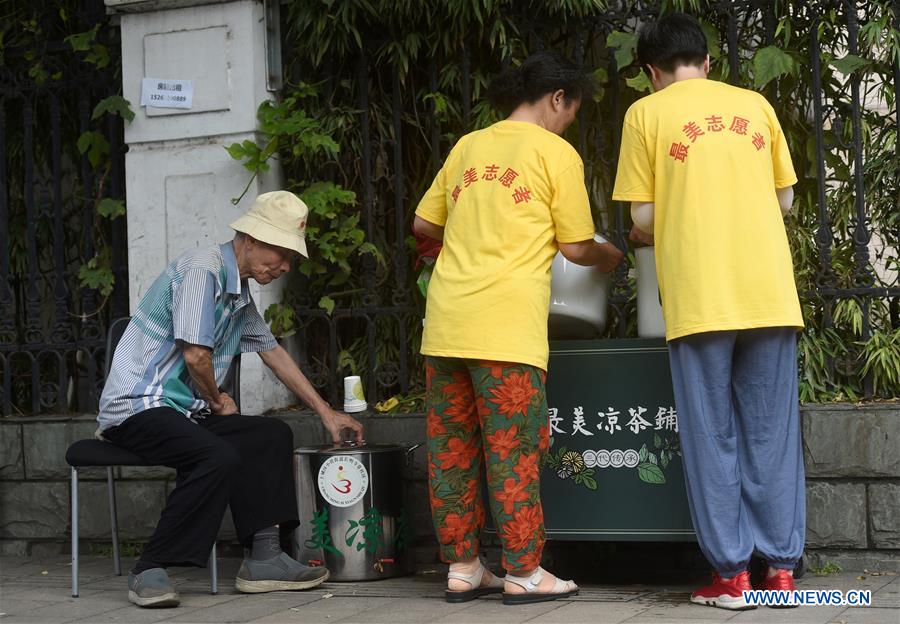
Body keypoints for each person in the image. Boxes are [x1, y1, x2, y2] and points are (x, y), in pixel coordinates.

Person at [414, 51, 623, 606]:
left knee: (452, 451)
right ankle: (525, 572)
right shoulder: (555, 153)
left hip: (446, 323)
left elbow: (422, 223)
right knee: (513, 451)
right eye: (571, 111)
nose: (568, 122)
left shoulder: (468, 147)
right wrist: (609, 257)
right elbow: (577, 246)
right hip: (506, 330)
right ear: (558, 98)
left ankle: (462, 568)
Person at [612, 12, 805, 610]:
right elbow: (786, 198)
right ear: (708, 61)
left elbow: (641, 217)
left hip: (700, 296)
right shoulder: (756, 107)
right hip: (769, 292)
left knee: (711, 434)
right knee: (771, 433)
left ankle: (731, 578)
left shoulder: (645, 113)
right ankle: (780, 572)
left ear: (651, 72)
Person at [97, 190, 365, 608]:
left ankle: (264, 557)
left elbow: (274, 354)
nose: (285, 266)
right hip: (138, 406)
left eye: (290, 257)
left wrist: (327, 413)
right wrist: (219, 400)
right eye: (280, 253)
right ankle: (149, 568)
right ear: (251, 240)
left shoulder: (239, 294)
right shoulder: (202, 270)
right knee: (217, 455)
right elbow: (195, 354)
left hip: (184, 412)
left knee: (270, 434)